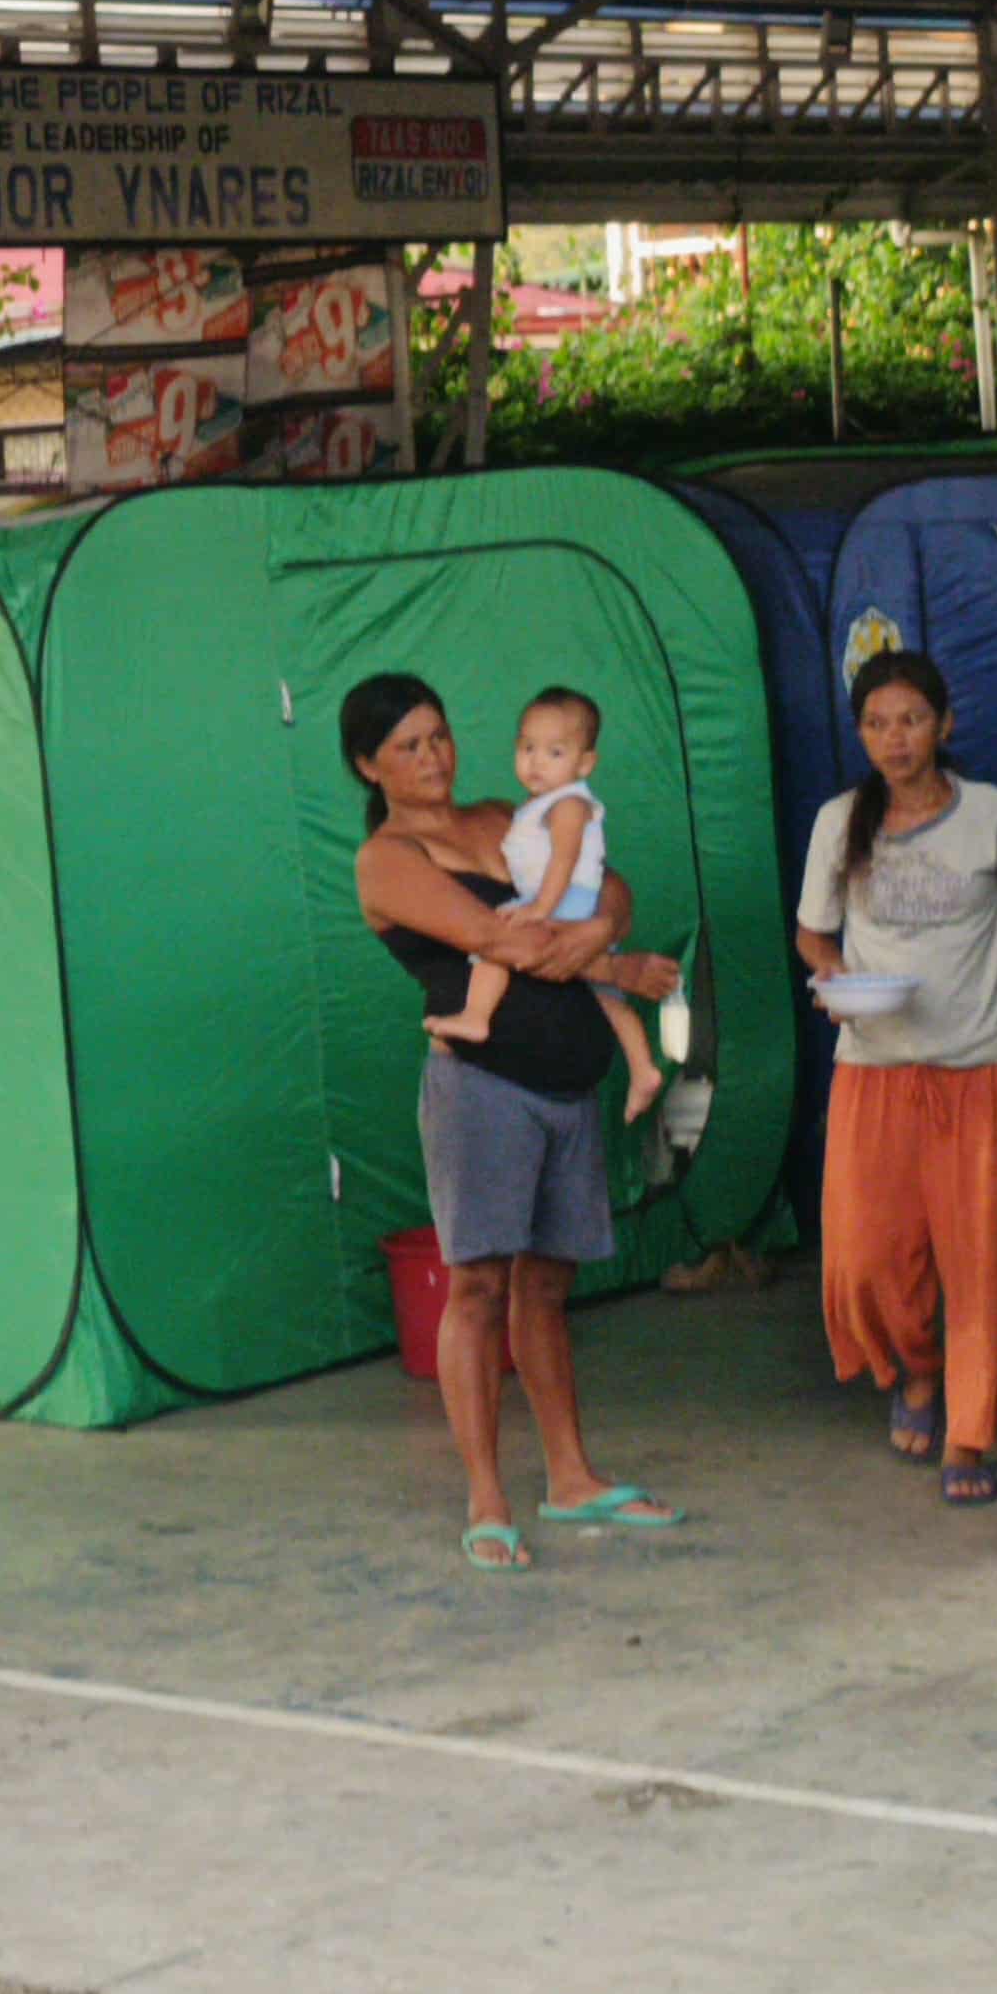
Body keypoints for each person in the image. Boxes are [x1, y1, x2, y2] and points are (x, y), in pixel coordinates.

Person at [342, 673, 689, 1575]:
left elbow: (609, 883)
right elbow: (500, 940)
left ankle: (569, 1477)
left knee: (545, 1289)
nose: (433, 757)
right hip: (483, 1090)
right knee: (478, 1290)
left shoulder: (506, 814)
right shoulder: (386, 860)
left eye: (440, 735)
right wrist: (616, 959)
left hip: (569, 1089)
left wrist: (603, 928)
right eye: (409, 745)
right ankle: (487, 1498)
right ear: (369, 766)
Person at [794, 650, 997, 1509]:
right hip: (873, 1070)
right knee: (866, 1261)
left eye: (910, 720)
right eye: (875, 724)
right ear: (860, 736)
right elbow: (813, 934)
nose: (894, 738)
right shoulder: (839, 821)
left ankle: (968, 1432)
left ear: (944, 725)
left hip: (977, 1067)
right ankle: (917, 1369)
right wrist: (832, 978)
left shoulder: (992, 814)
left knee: (983, 1261)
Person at [421, 686, 664, 1110]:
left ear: (585, 763)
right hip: (565, 899)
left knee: (497, 942)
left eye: (555, 752)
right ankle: (643, 1068)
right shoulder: (539, 805)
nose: (536, 762)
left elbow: (564, 861)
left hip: (564, 898)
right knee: (602, 991)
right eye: (527, 748)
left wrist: (540, 909)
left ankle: (476, 1015)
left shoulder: (568, 805)